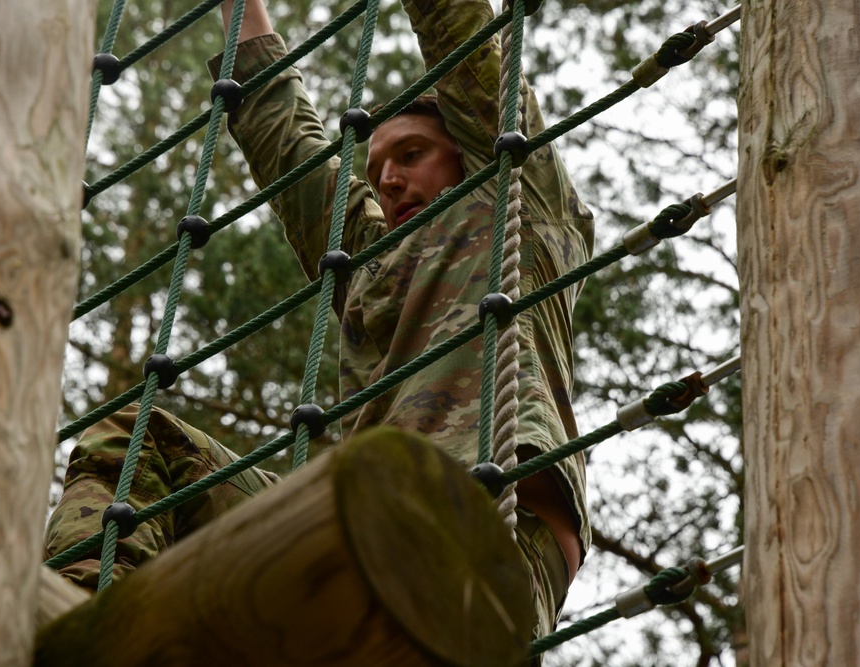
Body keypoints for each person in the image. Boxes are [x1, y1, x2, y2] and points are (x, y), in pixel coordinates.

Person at [46, 0, 595, 643]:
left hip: (484, 531)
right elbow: (281, 132)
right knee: (136, 440)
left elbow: (461, 33)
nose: (387, 179)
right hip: (360, 524)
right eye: (375, 170)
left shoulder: (520, 202)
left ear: (469, 150)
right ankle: (80, 629)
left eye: (412, 153)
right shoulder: (370, 268)